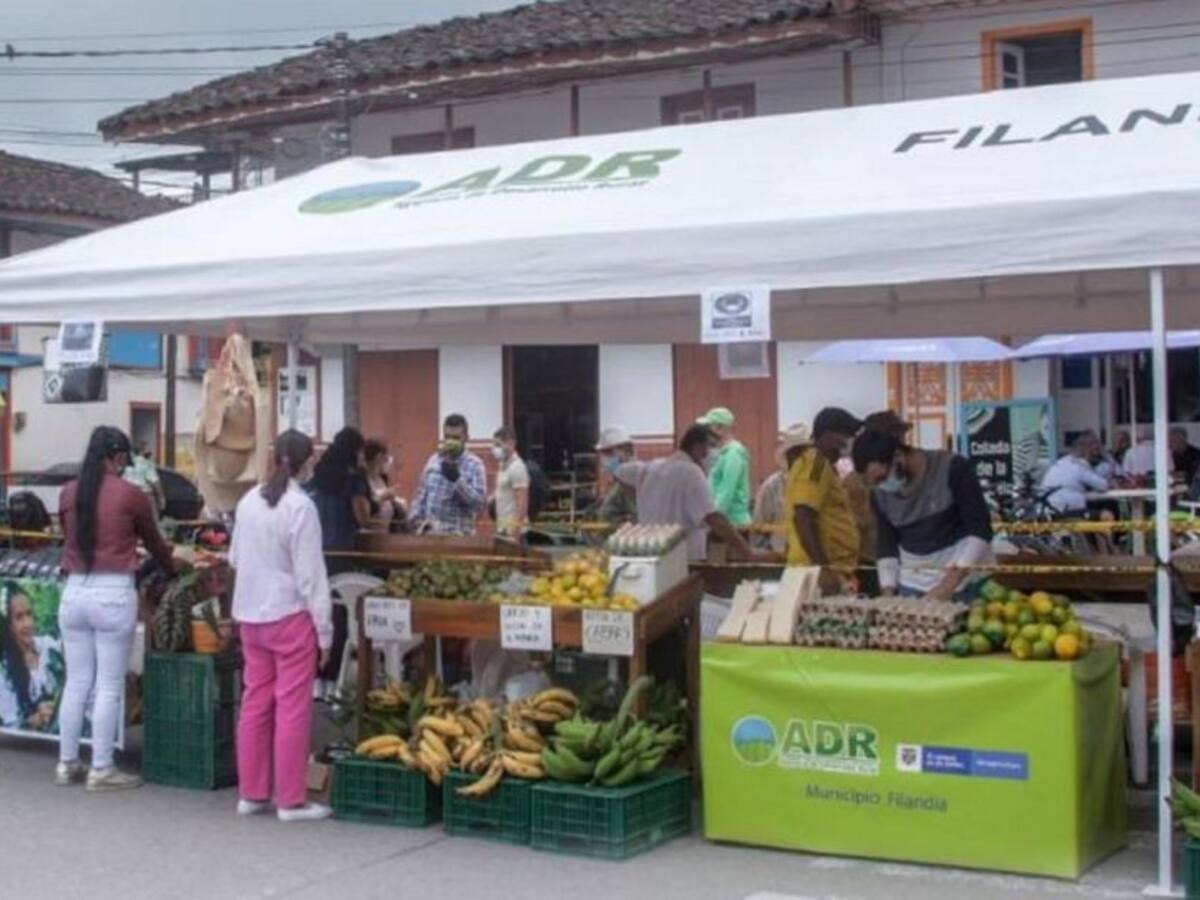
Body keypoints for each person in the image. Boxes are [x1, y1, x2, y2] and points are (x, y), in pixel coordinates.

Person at [57, 426, 176, 790]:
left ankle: (67, 763)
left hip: (74, 590)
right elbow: (155, 542)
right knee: (109, 684)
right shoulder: (131, 495)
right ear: (119, 457)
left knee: (76, 681)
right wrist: (172, 565)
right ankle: (102, 767)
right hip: (112, 593)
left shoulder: (68, 492)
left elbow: (69, 536)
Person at [230, 429, 333, 822]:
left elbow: (236, 558)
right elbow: (311, 576)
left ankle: (251, 793)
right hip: (289, 616)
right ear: (306, 463)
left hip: (250, 616)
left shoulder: (248, 501)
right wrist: (324, 632)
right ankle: (290, 799)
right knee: (292, 706)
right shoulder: (301, 507)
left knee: (254, 702)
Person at [852, 430, 994, 601]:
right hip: (914, 584)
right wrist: (888, 591)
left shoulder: (951, 468)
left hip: (966, 578)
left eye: (882, 478)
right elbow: (887, 543)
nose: (882, 486)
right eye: (875, 483)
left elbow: (980, 528)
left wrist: (949, 583)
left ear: (898, 457)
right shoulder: (880, 495)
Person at [615, 424, 757, 562]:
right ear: (696, 447)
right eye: (711, 446)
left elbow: (619, 473)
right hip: (683, 559)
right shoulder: (691, 472)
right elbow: (713, 518)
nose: (715, 453)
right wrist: (747, 552)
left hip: (650, 553)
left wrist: (640, 498)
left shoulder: (653, 468)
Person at [308, 427, 371, 698]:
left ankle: (314, 679)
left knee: (318, 612)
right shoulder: (352, 477)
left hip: (315, 550)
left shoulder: (320, 471)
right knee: (340, 613)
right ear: (355, 450)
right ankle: (334, 679)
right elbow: (363, 516)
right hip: (342, 551)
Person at [785, 408, 863, 595]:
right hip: (817, 574)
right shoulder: (816, 464)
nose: (846, 444)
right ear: (827, 435)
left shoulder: (822, 465)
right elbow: (803, 516)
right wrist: (823, 568)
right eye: (844, 436)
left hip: (823, 570)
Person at [411, 414, 487, 535]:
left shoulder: (475, 465)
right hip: (430, 536)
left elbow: (479, 505)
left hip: (459, 536)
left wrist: (456, 480)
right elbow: (420, 495)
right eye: (447, 437)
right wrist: (415, 521)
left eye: (456, 438)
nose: (451, 441)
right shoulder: (433, 460)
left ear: (466, 438)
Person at [0, 587, 63, 731]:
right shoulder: (4, 672)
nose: (28, 623)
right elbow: (10, 726)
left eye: (29, 614)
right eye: (19, 617)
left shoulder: (47, 646)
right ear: (8, 625)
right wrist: (35, 719)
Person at [751, 423, 810, 553]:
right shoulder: (772, 486)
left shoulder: (823, 482)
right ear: (788, 456)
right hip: (781, 557)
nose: (802, 458)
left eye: (806, 452)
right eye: (797, 453)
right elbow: (759, 528)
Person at [696, 407, 751, 525]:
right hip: (723, 522)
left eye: (707, 429)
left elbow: (727, 491)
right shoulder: (722, 454)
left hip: (732, 525)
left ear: (719, 428)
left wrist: (711, 520)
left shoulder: (733, 454)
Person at [1040, 431, 1110, 516]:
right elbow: (1103, 485)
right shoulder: (1079, 464)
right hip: (1066, 511)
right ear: (1085, 449)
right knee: (1105, 514)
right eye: (1093, 447)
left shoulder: (1060, 462)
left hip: (1047, 510)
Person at [587, 426, 638, 525]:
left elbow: (638, 516)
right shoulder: (618, 482)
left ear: (627, 451)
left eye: (609, 452)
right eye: (603, 453)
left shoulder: (633, 481)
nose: (605, 458)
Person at [491, 426, 531, 537]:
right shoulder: (503, 466)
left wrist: (515, 531)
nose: (495, 449)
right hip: (503, 528)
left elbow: (522, 502)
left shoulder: (517, 467)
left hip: (514, 532)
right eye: (494, 445)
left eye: (498, 445)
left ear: (511, 443)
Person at [363, 439, 405, 528]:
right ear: (378, 457)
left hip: (384, 534)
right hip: (367, 536)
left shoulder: (382, 479)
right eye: (385, 458)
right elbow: (363, 512)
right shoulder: (362, 481)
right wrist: (381, 499)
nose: (388, 462)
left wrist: (396, 503)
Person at [122, 442, 165, 516]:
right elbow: (155, 481)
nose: (149, 451)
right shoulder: (146, 463)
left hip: (128, 495)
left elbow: (123, 480)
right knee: (151, 518)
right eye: (147, 449)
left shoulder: (127, 464)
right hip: (144, 495)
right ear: (142, 451)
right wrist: (161, 497)